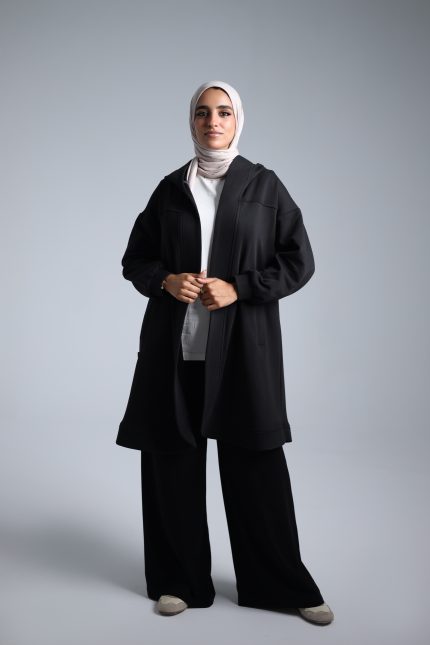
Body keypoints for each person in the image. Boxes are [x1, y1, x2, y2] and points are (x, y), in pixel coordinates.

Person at [116, 80, 334, 625]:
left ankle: (279, 583)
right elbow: (136, 258)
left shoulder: (264, 185)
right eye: (202, 112)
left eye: (223, 112)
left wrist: (241, 288)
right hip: (177, 353)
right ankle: (179, 580)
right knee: (171, 463)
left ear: (238, 120)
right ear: (191, 121)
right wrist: (165, 280)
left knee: (257, 465)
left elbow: (299, 261)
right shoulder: (170, 189)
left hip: (242, 353)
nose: (212, 121)